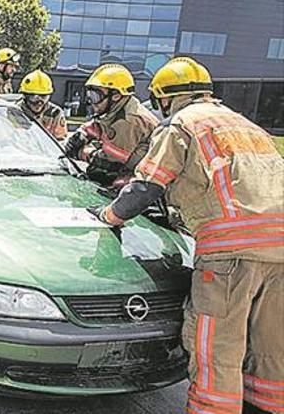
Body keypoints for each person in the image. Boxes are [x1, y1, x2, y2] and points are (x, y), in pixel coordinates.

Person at [92, 57, 283, 414]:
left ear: (166, 99)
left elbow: (146, 187)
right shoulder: (248, 126)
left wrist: (109, 215)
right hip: (280, 250)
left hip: (230, 253)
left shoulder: (181, 125)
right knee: (271, 348)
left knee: (218, 347)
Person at [64, 64, 159, 188]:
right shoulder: (117, 109)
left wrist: (81, 153)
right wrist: (82, 134)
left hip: (141, 182)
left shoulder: (128, 121)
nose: (91, 102)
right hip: (129, 173)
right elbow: (102, 126)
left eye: (95, 96)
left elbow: (110, 161)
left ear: (116, 96)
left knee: (99, 175)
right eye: (90, 95)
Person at [15, 69, 67, 140]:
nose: (39, 102)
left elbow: (60, 141)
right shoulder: (15, 111)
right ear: (25, 96)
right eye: (34, 97)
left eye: (44, 97)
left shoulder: (55, 113)